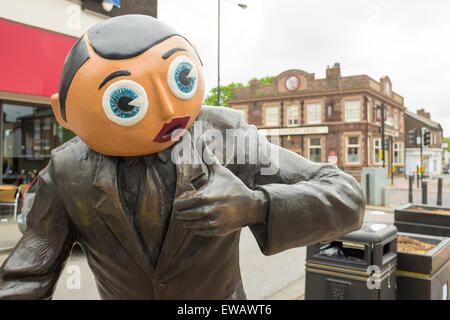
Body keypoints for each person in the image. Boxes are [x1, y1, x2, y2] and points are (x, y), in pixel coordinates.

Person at [0, 15, 365, 300]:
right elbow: (27, 277)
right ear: (62, 113)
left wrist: (254, 206)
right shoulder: (67, 172)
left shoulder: (228, 137)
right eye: (124, 101)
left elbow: (346, 197)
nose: (167, 109)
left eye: (182, 78)